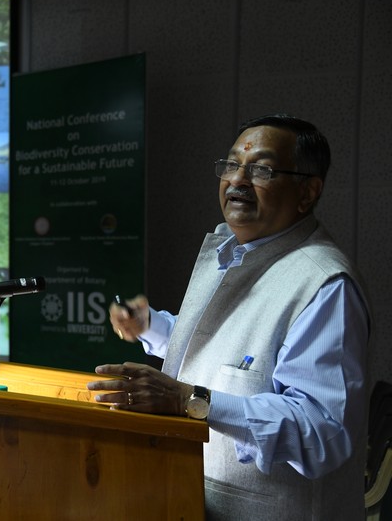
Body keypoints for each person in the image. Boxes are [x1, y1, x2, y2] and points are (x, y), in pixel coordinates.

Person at [87, 114, 371, 520]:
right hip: (190, 502)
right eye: (232, 164)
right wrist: (151, 325)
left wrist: (189, 400)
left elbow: (321, 431)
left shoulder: (325, 285)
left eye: (261, 170)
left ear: (307, 192)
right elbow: (230, 354)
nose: (238, 180)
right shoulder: (234, 251)